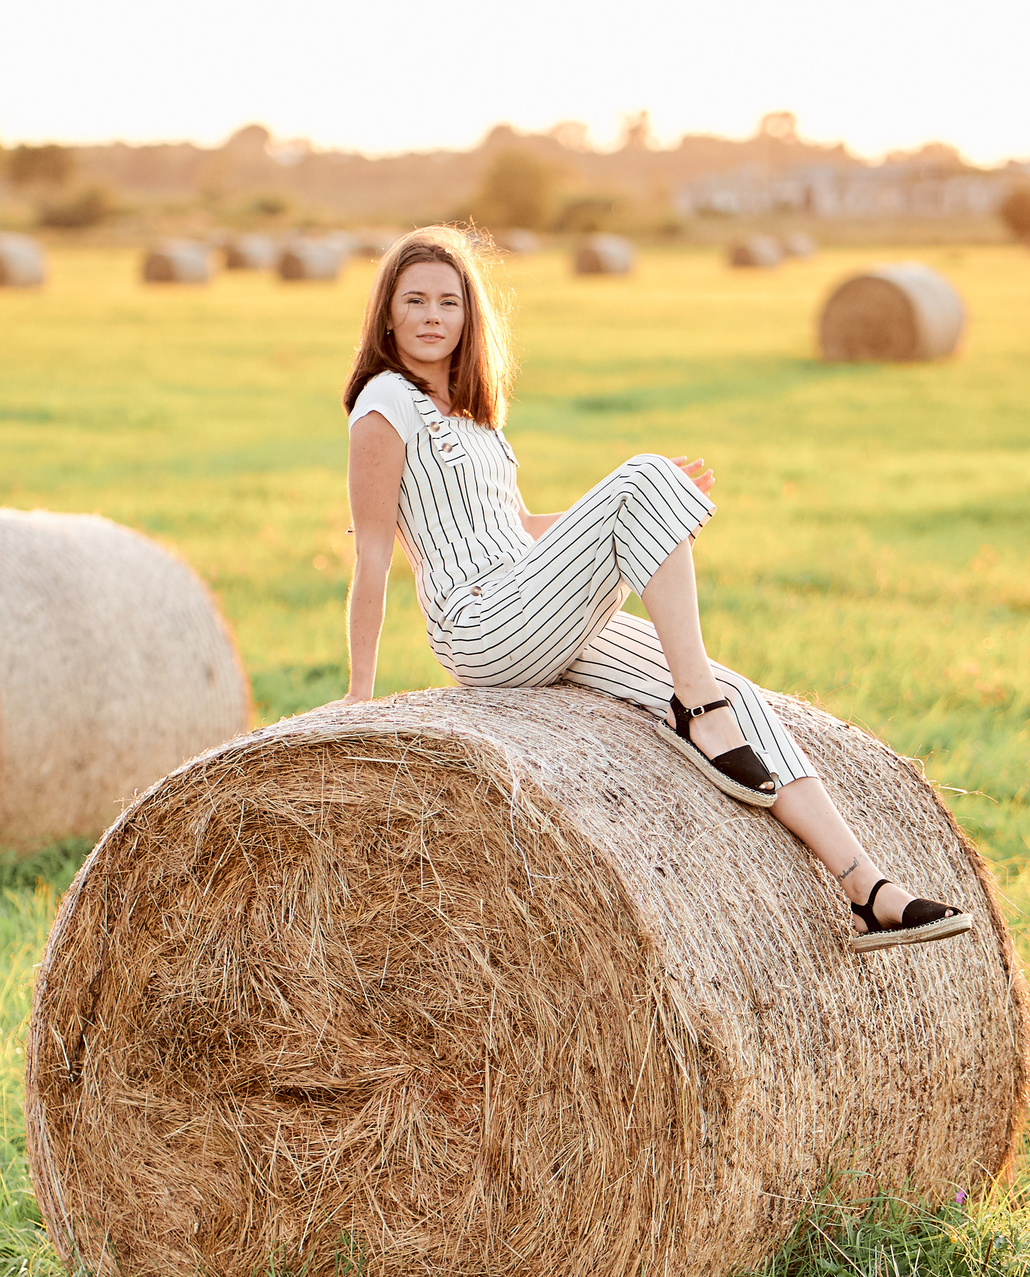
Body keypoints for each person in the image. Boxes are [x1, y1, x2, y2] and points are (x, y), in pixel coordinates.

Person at [341, 226, 970, 951]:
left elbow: (522, 526)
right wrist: (360, 697)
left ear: (468, 316)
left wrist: (653, 516)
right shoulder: (383, 405)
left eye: (448, 301)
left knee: (745, 696)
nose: (431, 315)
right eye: (413, 299)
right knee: (644, 480)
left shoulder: (477, 415)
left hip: (535, 605)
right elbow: (374, 554)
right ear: (386, 314)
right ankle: (696, 705)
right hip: (483, 623)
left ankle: (869, 889)